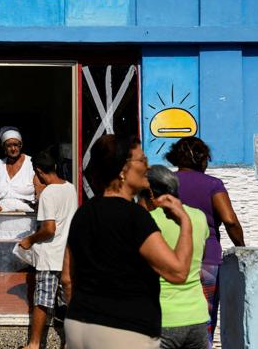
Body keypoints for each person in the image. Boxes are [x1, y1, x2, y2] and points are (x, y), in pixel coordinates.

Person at [61, 134, 193, 349]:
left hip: (78, 325)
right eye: (142, 160)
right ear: (123, 169)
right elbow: (177, 272)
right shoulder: (134, 217)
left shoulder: (82, 214)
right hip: (124, 331)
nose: (148, 167)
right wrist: (185, 222)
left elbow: (67, 278)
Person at [165, 137, 245, 345]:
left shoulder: (165, 184)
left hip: (169, 256)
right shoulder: (212, 185)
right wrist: (242, 248)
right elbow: (230, 221)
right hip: (207, 260)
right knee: (205, 318)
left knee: (168, 312)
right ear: (203, 160)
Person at [139, 165, 210, 349]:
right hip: (197, 315)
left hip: (162, 318)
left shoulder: (147, 221)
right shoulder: (198, 217)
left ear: (150, 193)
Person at [17, 150, 79, 349]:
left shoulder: (48, 193)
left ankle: (34, 344)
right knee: (70, 301)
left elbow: (49, 229)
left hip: (49, 255)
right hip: (67, 255)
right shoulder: (71, 189)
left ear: (39, 171)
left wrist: (29, 239)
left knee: (42, 301)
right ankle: (71, 342)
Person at [0, 126, 40, 238]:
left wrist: (40, 202)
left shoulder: (31, 163)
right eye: (9, 145)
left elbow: (39, 187)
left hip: (25, 219)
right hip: (1, 221)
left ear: (21, 145)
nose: (13, 149)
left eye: (16, 145)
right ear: (4, 147)